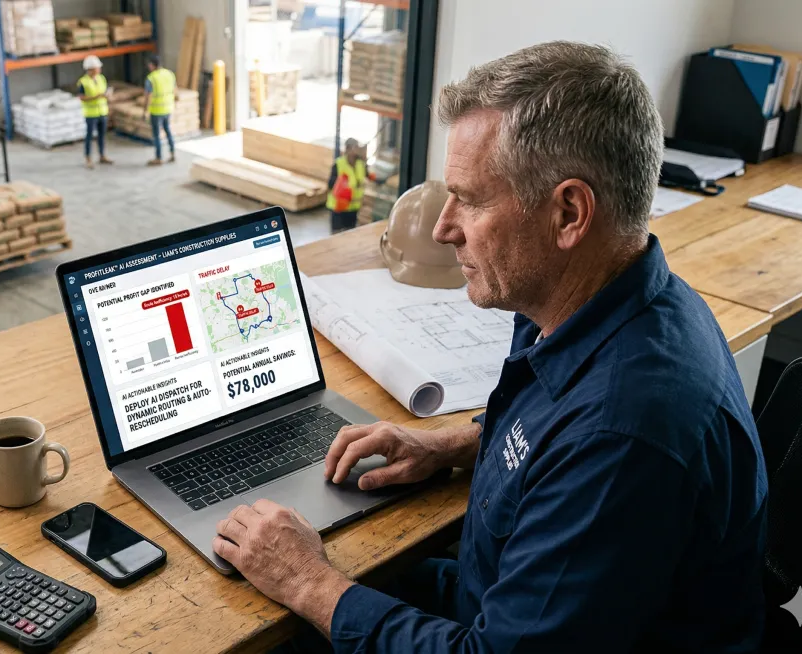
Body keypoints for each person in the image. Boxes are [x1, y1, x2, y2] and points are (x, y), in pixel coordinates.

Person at [212, 41, 767, 653]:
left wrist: (309, 584)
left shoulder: (622, 435)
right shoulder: (602, 295)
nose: (444, 227)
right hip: (496, 594)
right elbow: (554, 423)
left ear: (569, 214)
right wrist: (449, 444)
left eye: (471, 200)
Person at [326, 139, 371, 233]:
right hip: (339, 207)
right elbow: (331, 185)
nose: (357, 150)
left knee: (350, 233)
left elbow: (368, 176)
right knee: (337, 234)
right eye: (355, 147)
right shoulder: (339, 164)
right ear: (348, 149)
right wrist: (342, 184)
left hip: (353, 207)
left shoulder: (361, 164)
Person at [77, 55, 113, 169]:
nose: (99, 69)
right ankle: (88, 158)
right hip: (91, 114)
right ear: (90, 69)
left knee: (102, 136)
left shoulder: (101, 78)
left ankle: (102, 155)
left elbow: (105, 91)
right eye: (97, 67)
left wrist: (107, 96)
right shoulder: (83, 82)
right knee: (89, 136)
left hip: (102, 112)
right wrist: (96, 96)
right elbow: (81, 97)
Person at [142, 54, 178, 166]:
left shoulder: (151, 78)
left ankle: (158, 158)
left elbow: (147, 96)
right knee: (168, 131)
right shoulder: (169, 74)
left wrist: (144, 111)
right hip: (168, 108)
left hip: (157, 110)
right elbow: (175, 90)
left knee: (157, 135)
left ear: (152, 65)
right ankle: (172, 153)